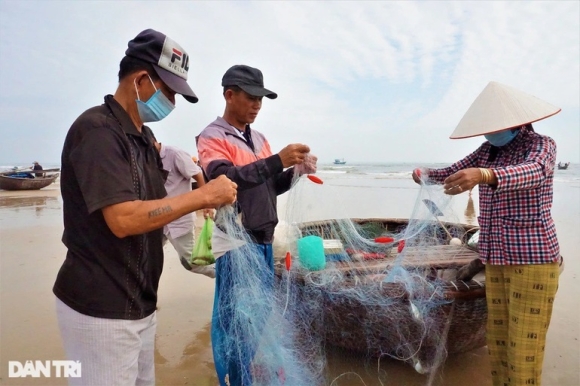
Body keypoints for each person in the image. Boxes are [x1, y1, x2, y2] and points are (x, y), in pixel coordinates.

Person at [53, 29, 237, 386]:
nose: (172, 102)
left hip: (139, 303)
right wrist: (203, 197)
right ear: (140, 80)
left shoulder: (144, 138)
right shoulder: (98, 133)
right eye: (168, 92)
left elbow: (153, 204)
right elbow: (123, 219)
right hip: (101, 311)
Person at [412, 81, 561, 386]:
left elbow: (533, 171)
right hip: (495, 259)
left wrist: (486, 175)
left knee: (524, 349)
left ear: (517, 121)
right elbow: (454, 170)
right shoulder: (488, 150)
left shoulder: (541, 145)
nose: (489, 132)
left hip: (533, 261)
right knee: (499, 341)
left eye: (494, 125)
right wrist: (423, 173)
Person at [196, 64, 317, 386]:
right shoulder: (212, 137)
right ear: (229, 94)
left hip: (264, 240)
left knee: (257, 318)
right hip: (237, 243)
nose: (257, 105)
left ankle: (245, 372)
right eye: (251, 97)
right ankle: (233, 379)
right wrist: (277, 160)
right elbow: (224, 179)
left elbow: (268, 185)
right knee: (235, 320)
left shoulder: (260, 139)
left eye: (261, 99)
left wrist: (295, 171)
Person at [154, 140, 215, 278]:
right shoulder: (147, 159)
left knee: (192, 263)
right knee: (148, 257)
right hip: (158, 219)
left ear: (153, 142)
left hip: (179, 220)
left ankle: (229, 275)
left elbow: (198, 175)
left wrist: (207, 204)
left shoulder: (175, 154)